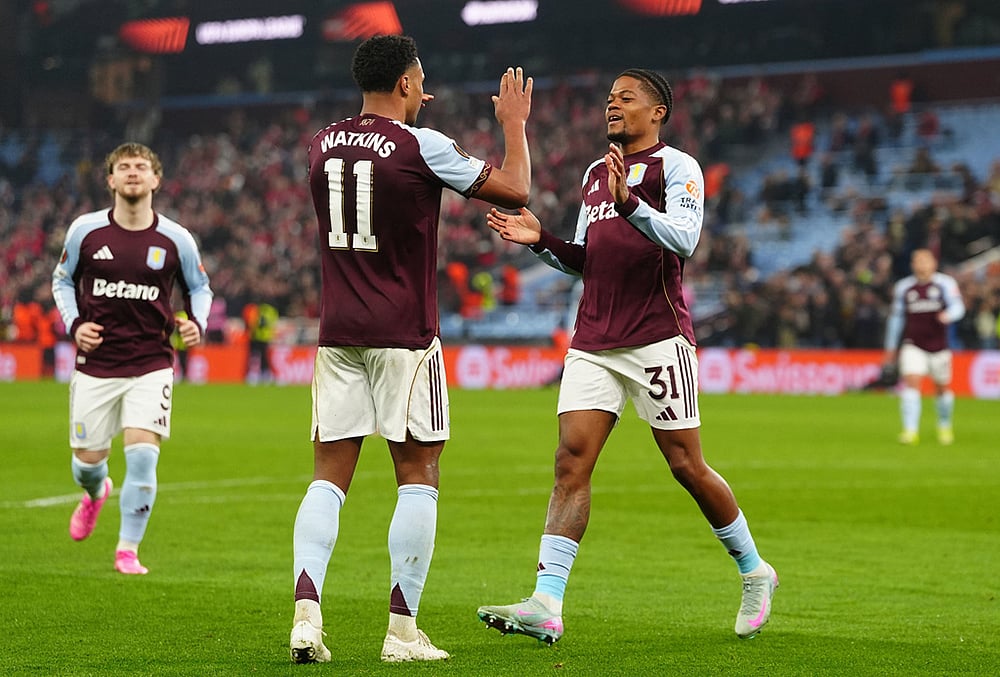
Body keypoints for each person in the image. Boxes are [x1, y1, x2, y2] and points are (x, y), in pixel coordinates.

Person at [476, 68, 777, 644]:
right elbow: (585, 258)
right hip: (593, 340)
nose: (612, 105)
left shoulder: (677, 167)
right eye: (609, 98)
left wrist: (631, 202)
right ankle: (547, 601)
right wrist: (541, 241)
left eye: (626, 98)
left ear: (658, 111)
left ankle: (754, 570)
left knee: (686, 465)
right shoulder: (595, 173)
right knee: (571, 460)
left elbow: (685, 240)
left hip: (658, 336)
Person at [289, 34, 532, 664]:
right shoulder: (421, 144)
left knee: (327, 478)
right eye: (421, 82)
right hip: (405, 334)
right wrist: (513, 125)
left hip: (338, 332)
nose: (427, 93)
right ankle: (401, 632)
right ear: (403, 83)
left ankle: (306, 617)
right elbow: (516, 189)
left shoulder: (320, 144)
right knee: (419, 475)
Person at [51, 142, 212, 575]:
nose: (133, 172)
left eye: (142, 166)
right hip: (96, 364)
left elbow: (199, 287)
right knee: (86, 463)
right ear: (111, 180)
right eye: (124, 167)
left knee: (142, 455)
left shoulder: (176, 239)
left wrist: (197, 321)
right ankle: (95, 491)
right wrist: (74, 325)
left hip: (151, 363)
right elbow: (61, 280)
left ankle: (128, 549)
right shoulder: (85, 231)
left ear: (156, 178)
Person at [883, 248, 965, 445]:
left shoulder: (945, 283)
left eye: (925, 261)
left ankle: (944, 424)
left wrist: (948, 315)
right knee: (911, 382)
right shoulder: (904, 287)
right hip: (913, 344)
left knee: (942, 388)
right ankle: (910, 431)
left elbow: (958, 307)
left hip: (939, 346)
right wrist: (891, 346)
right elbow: (896, 319)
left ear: (933, 264)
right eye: (918, 261)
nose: (922, 265)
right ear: (912, 265)